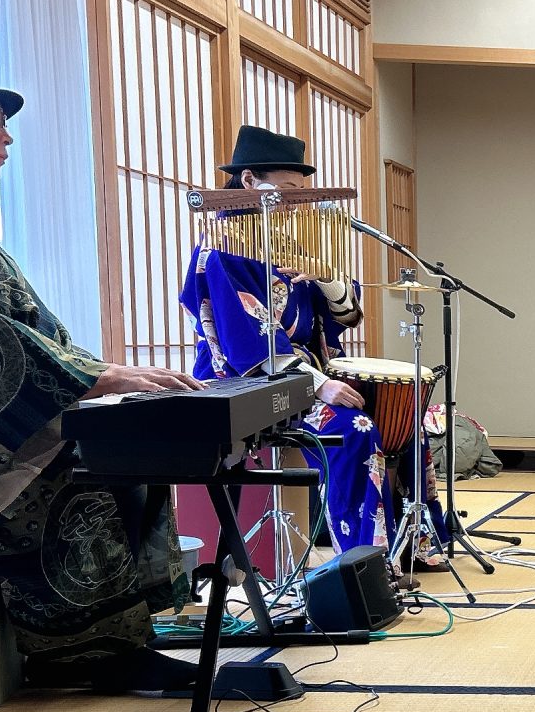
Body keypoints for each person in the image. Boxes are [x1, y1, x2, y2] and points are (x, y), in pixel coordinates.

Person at [0, 52, 199, 692]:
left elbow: (37, 334)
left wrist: (107, 373)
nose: (7, 136)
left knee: (128, 446)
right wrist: (95, 380)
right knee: (80, 474)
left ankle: (123, 629)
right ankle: (82, 650)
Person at [180, 125, 440, 569]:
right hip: (251, 382)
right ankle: (363, 561)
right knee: (355, 427)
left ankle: (414, 542)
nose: (295, 202)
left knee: (407, 422)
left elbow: (348, 315)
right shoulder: (223, 249)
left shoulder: (290, 243)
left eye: (300, 193)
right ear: (249, 181)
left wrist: (325, 277)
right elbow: (248, 344)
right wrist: (318, 385)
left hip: (308, 372)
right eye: (287, 189)